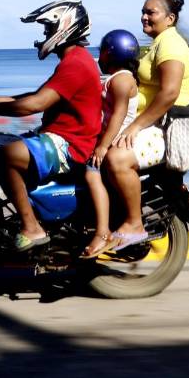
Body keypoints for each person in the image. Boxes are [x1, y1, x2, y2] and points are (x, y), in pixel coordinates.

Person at [0, 0, 102, 252]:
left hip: (72, 145)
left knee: (8, 154)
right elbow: (34, 96)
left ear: (65, 27)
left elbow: (33, 105)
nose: (45, 34)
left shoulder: (76, 63)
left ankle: (31, 227)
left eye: (48, 28)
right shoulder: (72, 60)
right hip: (61, 137)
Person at [104, 0, 189, 249]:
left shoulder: (171, 44)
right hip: (153, 124)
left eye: (151, 12)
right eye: (143, 12)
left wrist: (135, 127)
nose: (144, 17)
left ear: (170, 18)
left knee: (117, 158)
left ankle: (134, 224)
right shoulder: (159, 43)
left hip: (166, 128)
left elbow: (169, 93)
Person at [81, 29, 141, 259]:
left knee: (91, 172)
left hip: (114, 140)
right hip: (106, 137)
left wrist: (103, 146)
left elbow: (118, 115)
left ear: (110, 53)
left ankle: (102, 232)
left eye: (103, 52)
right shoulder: (115, 78)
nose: (100, 57)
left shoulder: (123, 80)